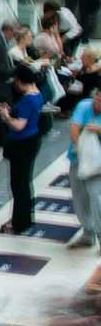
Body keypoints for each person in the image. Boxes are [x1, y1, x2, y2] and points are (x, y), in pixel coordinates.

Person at [0, 65, 43, 234]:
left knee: (18, 185)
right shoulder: (37, 94)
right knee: (24, 183)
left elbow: (18, 125)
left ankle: (19, 222)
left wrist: (6, 116)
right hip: (32, 140)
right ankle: (23, 218)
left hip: (22, 145)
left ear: (20, 81)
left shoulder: (27, 100)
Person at [70, 88, 101, 250]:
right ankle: (88, 233)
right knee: (80, 198)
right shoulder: (84, 106)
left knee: (97, 198)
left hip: (98, 165)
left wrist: (98, 129)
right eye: (97, 100)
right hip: (78, 159)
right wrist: (81, 151)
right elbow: (74, 127)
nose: (98, 104)